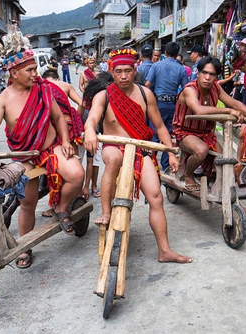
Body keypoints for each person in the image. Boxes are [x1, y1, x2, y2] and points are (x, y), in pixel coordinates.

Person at [0, 23, 84, 269]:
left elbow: (57, 118)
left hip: (51, 148)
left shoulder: (43, 91)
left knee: (77, 174)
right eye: (30, 70)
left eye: (35, 69)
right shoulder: (3, 99)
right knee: (27, 203)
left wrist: (65, 140)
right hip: (25, 155)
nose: (35, 74)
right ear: (14, 73)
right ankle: (25, 247)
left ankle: (61, 208)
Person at [84, 48, 191, 264]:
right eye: (118, 71)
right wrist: (89, 132)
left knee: (156, 197)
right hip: (114, 148)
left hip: (140, 151)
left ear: (135, 71)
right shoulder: (103, 96)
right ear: (112, 72)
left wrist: (170, 152)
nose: (123, 76)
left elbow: (160, 126)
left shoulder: (145, 94)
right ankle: (106, 212)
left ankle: (165, 250)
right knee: (113, 159)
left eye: (128, 71)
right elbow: (92, 120)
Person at [172, 56, 246, 218]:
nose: (207, 77)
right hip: (185, 132)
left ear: (217, 77)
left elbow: (235, 104)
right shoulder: (190, 89)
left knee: (226, 162)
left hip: (206, 134)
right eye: (204, 73)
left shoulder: (216, 88)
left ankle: (237, 205)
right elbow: (199, 110)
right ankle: (188, 173)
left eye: (212, 74)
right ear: (198, 73)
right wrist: (228, 111)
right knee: (201, 150)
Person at [41, 68, 86, 210]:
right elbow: (83, 103)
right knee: (73, 160)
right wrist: (75, 116)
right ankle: (76, 199)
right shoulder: (65, 86)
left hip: (53, 130)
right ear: (57, 78)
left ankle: (56, 205)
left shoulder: (41, 87)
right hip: (70, 128)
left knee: (54, 165)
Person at [145, 41, 189, 170]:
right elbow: (186, 89)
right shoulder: (181, 69)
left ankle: (150, 162)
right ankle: (166, 165)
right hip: (172, 105)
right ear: (177, 54)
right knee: (168, 135)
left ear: (165, 53)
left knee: (154, 133)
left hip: (157, 103)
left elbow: (147, 84)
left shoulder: (157, 66)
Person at [79, 57, 101, 199]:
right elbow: (81, 86)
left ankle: (93, 185)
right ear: (87, 64)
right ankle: (85, 186)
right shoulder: (83, 74)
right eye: (90, 63)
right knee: (88, 159)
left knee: (95, 159)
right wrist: (86, 90)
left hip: (94, 106)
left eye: (93, 62)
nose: (92, 65)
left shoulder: (98, 74)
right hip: (87, 104)